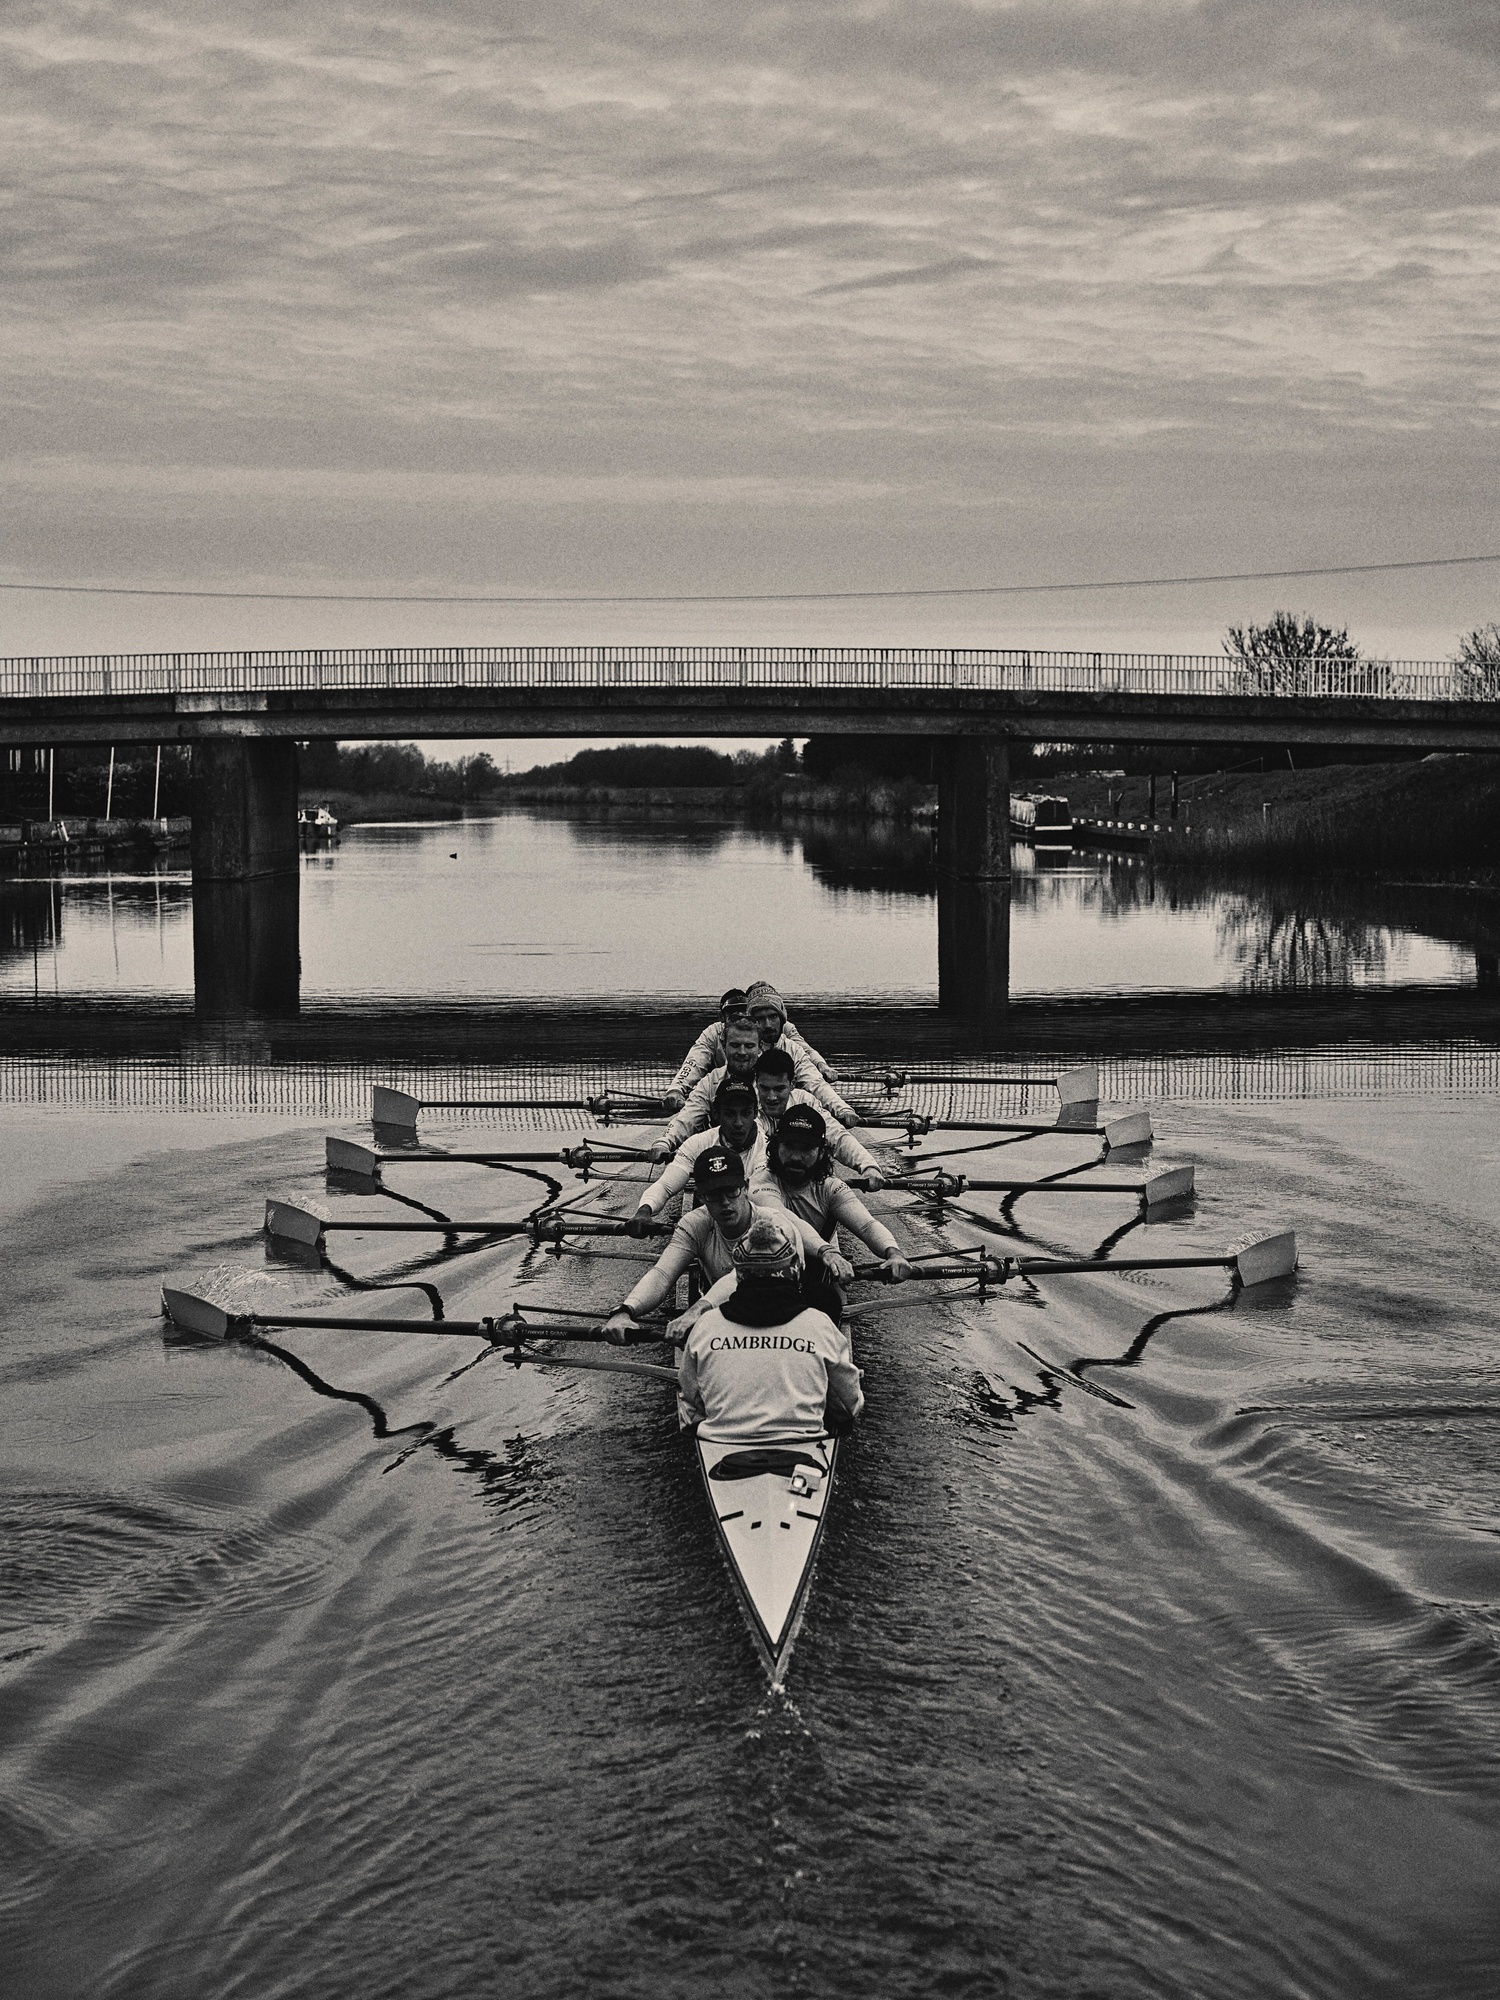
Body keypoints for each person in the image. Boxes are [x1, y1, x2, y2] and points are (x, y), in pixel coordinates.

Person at [604, 1145, 840, 1339]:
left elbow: (742, 1274)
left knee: (824, 1296)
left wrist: (697, 1309)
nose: (725, 1202)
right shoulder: (695, 1224)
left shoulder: (774, 1224)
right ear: (701, 1197)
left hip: (785, 1317)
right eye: (714, 1195)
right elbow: (663, 1274)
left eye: (731, 1192)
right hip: (729, 1317)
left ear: (746, 1188)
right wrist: (626, 1310)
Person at [676, 1215, 864, 1444]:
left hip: (721, 1444)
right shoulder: (819, 1324)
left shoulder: (706, 1325)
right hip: (801, 1445)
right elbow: (849, 1404)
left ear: (739, 1274)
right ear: (794, 1270)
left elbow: (690, 1405)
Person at [752, 1104, 912, 1321]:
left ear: (821, 1153)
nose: (796, 1157)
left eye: (806, 1148)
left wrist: (893, 1254)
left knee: (823, 1296)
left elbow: (866, 1225)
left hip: (809, 1281)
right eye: (789, 1146)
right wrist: (828, 1251)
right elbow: (781, 1217)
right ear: (775, 1146)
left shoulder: (830, 1187)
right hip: (761, 1280)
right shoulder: (762, 1181)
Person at [663, 1018, 861, 1152]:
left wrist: (842, 1109)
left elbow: (817, 1087)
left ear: (759, 1048)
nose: (742, 1052)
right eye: (735, 1045)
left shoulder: (772, 1083)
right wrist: (665, 1142)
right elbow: (687, 1118)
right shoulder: (710, 1082)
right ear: (724, 1047)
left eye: (749, 1046)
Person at [627, 1078, 766, 1232]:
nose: (738, 1123)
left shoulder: (767, 1148)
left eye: (745, 1113)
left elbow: (763, 1197)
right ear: (716, 1113)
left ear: (756, 1113)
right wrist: (644, 1211)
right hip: (715, 1222)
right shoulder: (698, 1143)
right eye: (730, 1114)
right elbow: (665, 1186)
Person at [751, 1048, 885, 1182]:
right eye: (765, 1088)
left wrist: (868, 1165)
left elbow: (835, 1135)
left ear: (792, 1084)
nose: (771, 1097)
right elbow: (759, 1148)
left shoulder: (805, 1101)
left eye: (779, 1088)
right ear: (756, 1083)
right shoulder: (748, 1106)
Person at [743, 981, 836, 1079]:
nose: (768, 1024)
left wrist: (821, 1064)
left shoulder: (786, 1027)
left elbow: (806, 1049)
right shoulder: (740, 1032)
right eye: (760, 1018)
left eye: (773, 1016)